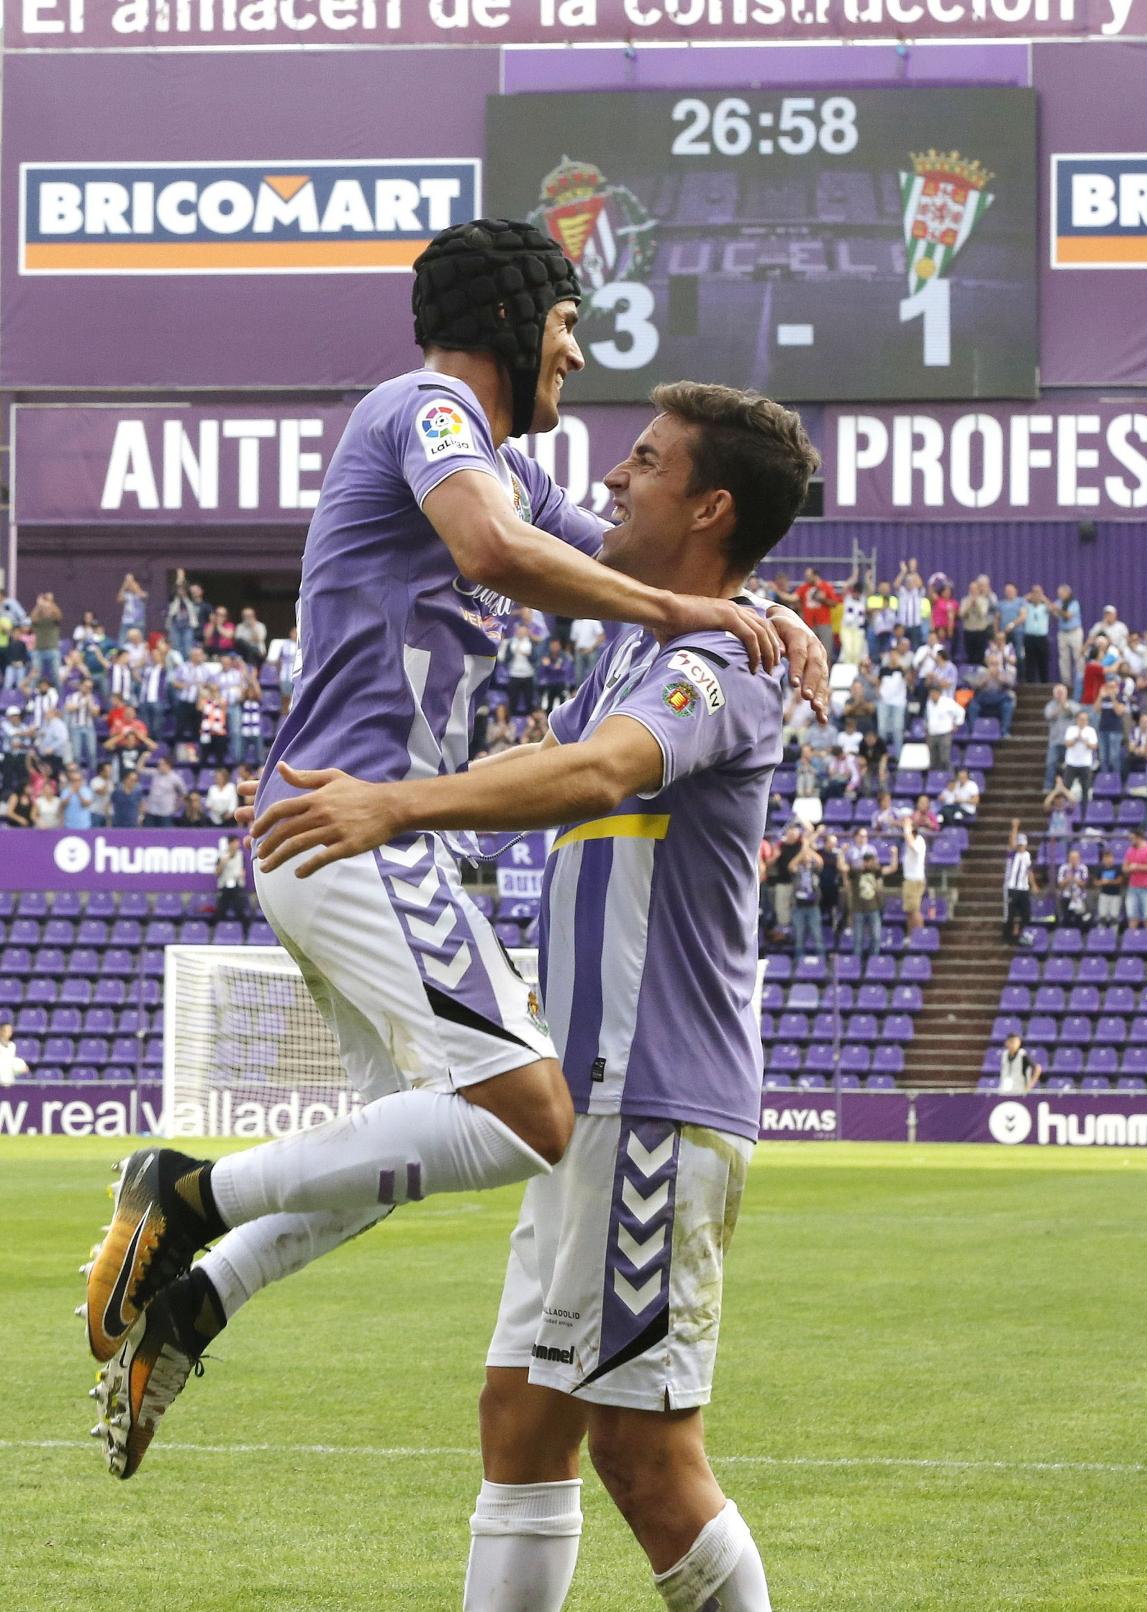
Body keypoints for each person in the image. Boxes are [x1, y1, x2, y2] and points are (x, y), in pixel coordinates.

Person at [81, 261, 825, 1483]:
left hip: (359, 829)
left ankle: (199, 1300)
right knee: (532, 1113)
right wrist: (693, 613)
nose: (576, 359)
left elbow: (640, 562)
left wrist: (750, 608)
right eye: (567, 328)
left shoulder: (508, 462)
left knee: (404, 1143)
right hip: (356, 815)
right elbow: (498, 553)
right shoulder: (427, 411)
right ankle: (185, 1191)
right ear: (513, 320)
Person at [789, 829, 825, 958]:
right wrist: (802, 851)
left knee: (817, 937)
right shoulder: (797, 868)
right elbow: (791, 865)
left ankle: (821, 962)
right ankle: (799, 964)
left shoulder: (814, 869)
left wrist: (807, 847)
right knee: (799, 938)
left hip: (813, 907)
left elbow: (820, 861)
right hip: (799, 907)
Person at [1003, 820, 1038, 945]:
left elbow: (1029, 871)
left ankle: (1021, 934)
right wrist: (1014, 827)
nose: (1020, 846)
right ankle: (1007, 937)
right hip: (1012, 887)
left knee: (1026, 914)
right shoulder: (1012, 854)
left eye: (1022, 844)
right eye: (1019, 844)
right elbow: (1011, 843)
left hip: (1023, 888)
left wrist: (1033, 884)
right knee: (1010, 915)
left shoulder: (1027, 856)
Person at [1122, 828, 1147, 936]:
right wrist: (1131, 868)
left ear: (1139, 838)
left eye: (1132, 839)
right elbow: (1125, 868)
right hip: (1133, 888)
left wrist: (1137, 867)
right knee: (1132, 916)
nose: (1131, 841)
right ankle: (1132, 940)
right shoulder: (1130, 850)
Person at [900, 814, 926, 939]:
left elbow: (911, 843)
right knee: (909, 911)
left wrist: (906, 828)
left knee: (914, 911)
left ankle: (920, 937)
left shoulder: (919, 841)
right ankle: (911, 936)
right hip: (909, 880)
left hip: (914, 881)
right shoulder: (912, 841)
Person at [215, 834, 248, 921]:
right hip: (224, 886)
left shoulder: (240, 855)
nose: (238, 845)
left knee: (240, 910)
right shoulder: (221, 856)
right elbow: (217, 873)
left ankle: (243, 932)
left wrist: (242, 875)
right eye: (235, 843)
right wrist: (222, 863)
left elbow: (243, 870)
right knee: (220, 911)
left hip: (237, 885)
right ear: (230, 843)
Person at [1056, 846, 1090, 930]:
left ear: (1079, 859)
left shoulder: (1083, 868)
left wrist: (1075, 879)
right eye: (1071, 858)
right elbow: (1060, 884)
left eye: (1075, 858)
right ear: (1068, 858)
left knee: (1079, 919)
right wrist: (1068, 879)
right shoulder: (1063, 868)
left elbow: (1085, 884)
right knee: (1066, 918)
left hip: (1079, 897)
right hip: (1066, 896)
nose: (1073, 860)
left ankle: (1079, 938)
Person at [1094, 845, 1123, 927]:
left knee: (1114, 917)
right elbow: (1096, 882)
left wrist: (1108, 881)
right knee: (1102, 916)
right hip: (1104, 895)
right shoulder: (1100, 868)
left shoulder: (1117, 868)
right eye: (1105, 858)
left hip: (1115, 895)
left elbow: (1119, 880)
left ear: (1113, 858)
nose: (1108, 860)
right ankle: (1101, 934)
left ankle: (1113, 935)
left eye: (1109, 857)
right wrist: (1102, 882)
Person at [0, 1021, 29, 1085]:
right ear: (0, 1031)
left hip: (9, 1081)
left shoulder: (12, 1046)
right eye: (6, 1030)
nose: (9, 1033)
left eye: (10, 1031)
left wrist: (21, 1066)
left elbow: (11, 1062)